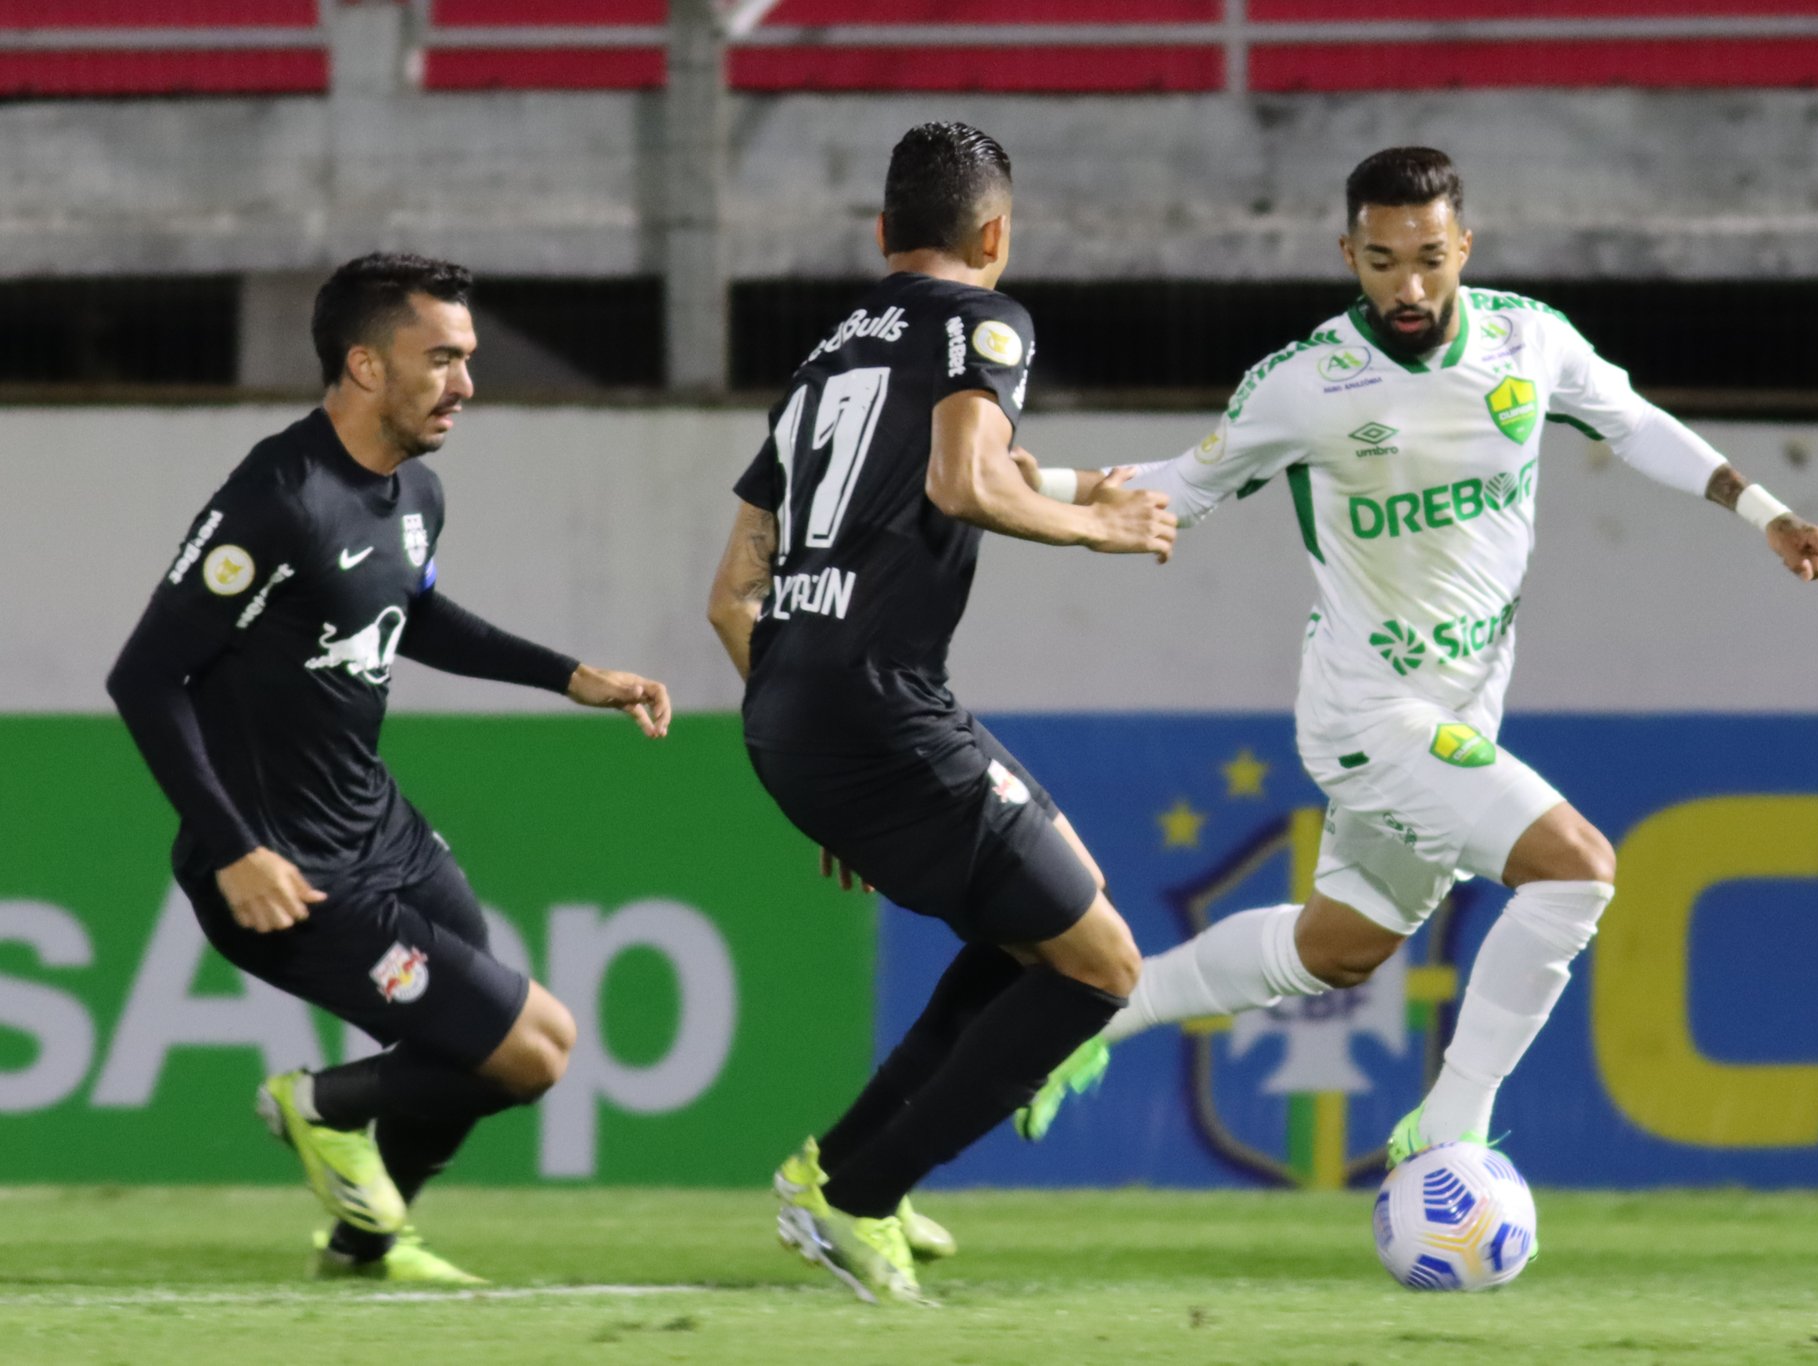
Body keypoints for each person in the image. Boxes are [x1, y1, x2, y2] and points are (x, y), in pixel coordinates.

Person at [1012, 147, 1818, 1169]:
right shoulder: (1307, 384)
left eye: (1428, 258)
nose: (1406, 286)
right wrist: (1035, 481)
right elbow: (1179, 483)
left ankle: (1094, 1019)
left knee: (1337, 948)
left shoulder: (1525, 342)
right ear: (1345, 254)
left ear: (1464, 247)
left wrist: (1763, 510)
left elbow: (1633, 425)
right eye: (1379, 261)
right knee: (1575, 870)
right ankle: (1446, 1128)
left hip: (1457, 711)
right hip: (1370, 714)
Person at [106, 253, 672, 1284]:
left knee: (476, 1052)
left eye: (468, 358)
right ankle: (313, 1106)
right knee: (534, 1048)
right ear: (365, 365)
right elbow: (144, 678)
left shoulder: (417, 489)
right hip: (287, 869)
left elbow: (410, 613)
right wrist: (235, 849)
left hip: (385, 833)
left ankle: (364, 1248)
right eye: (441, 359)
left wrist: (568, 674)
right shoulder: (275, 497)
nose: (465, 384)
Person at [705, 121, 1177, 1305]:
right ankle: (852, 1199)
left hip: (797, 711)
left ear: (882, 235)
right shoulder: (986, 321)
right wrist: (1098, 527)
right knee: (1101, 969)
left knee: (1042, 926)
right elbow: (959, 480)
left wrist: (818, 753)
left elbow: (728, 596)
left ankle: (841, 1167)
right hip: (880, 706)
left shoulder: (825, 358)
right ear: (994, 235)